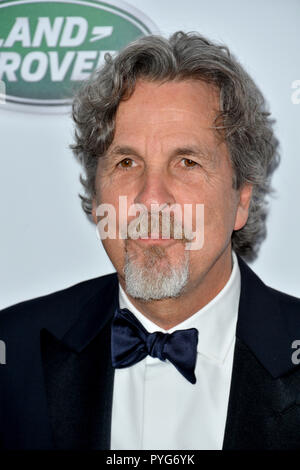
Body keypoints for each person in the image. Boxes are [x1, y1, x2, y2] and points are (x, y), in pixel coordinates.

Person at [0, 31, 300, 451]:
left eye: (187, 162)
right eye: (126, 162)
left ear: (241, 199)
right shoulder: (12, 352)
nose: (151, 199)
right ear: (96, 191)